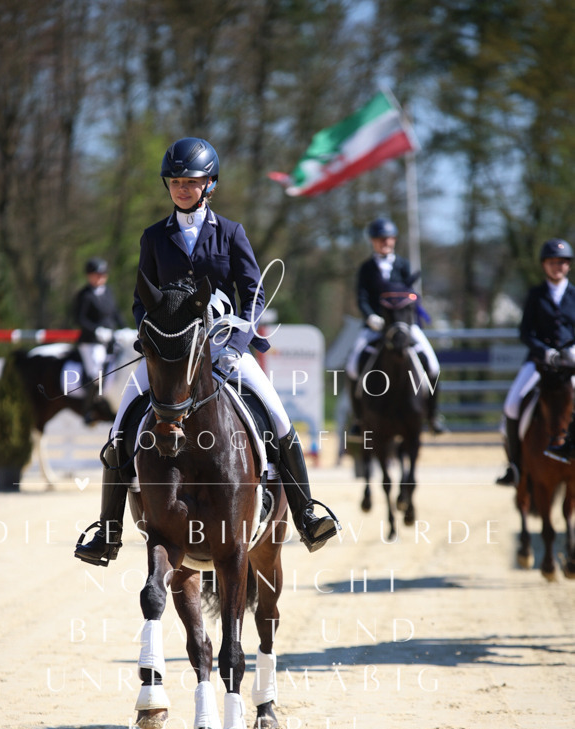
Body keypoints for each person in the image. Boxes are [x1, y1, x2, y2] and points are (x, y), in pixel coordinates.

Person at [74, 136, 339, 567]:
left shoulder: (231, 233)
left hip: (222, 349)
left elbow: (254, 291)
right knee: (119, 429)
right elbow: (142, 299)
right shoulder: (154, 237)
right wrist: (149, 335)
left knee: (278, 417)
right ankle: (108, 530)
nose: (182, 188)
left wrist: (238, 339)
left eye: (191, 181)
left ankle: (307, 512)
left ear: (209, 184)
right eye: (175, 181)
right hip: (172, 354)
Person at [346, 217, 446, 436]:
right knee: (353, 365)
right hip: (375, 326)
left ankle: (433, 415)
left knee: (433, 365)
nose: (385, 243)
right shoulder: (366, 268)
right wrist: (371, 316)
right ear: (372, 241)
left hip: (403, 325)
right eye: (380, 239)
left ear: (394, 240)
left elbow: (411, 296)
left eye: (389, 239)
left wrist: (406, 319)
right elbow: (362, 297)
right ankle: (359, 418)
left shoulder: (402, 265)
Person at [496, 238, 575, 484]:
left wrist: (571, 350)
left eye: (562, 263)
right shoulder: (535, 295)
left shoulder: (574, 295)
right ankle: (515, 466)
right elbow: (525, 332)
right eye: (552, 262)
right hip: (540, 362)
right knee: (511, 405)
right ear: (544, 265)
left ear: (568, 266)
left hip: (571, 361)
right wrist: (543, 351)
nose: (557, 267)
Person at [73, 258, 127, 419]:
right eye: (96, 275)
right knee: (97, 375)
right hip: (91, 341)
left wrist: (124, 328)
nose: (100, 278)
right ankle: (89, 409)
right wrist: (96, 331)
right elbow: (79, 319)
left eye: (102, 274)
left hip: (110, 339)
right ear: (89, 276)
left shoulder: (108, 291)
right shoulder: (84, 295)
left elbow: (116, 313)